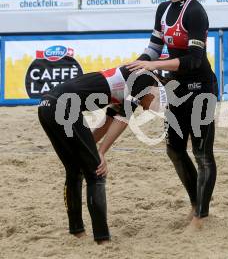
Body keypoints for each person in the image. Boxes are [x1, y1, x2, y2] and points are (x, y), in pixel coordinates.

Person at [126, 0, 218, 230]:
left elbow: (194, 59)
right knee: (175, 150)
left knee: (202, 155)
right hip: (176, 89)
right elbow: (154, 47)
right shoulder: (163, 9)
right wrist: (137, 64)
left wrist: (154, 65)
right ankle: (195, 205)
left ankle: (201, 217)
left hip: (201, 87)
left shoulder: (196, 12)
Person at [38, 65, 158, 243]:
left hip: (45, 105)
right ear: (157, 89)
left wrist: (90, 149)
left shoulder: (128, 83)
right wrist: (99, 153)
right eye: (154, 106)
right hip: (64, 106)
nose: (148, 109)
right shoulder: (146, 79)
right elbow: (123, 120)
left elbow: (108, 121)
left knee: (74, 169)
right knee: (97, 172)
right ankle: (102, 239)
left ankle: (77, 231)